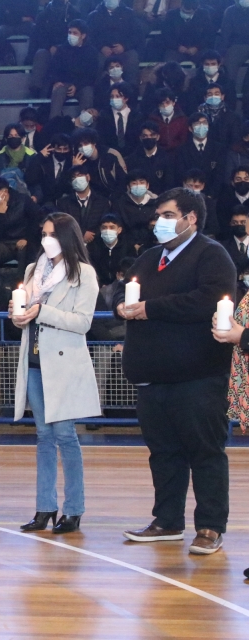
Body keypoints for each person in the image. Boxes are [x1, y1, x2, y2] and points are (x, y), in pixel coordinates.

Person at [116, 187, 235, 555]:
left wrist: (151, 308)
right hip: (153, 374)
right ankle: (167, 521)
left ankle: (210, 526)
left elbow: (207, 302)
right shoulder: (150, 258)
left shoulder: (213, 256)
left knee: (205, 451)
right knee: (163, 452)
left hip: (199, 374)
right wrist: (124, 307)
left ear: (190, 218)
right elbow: (127, 295)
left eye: (167, 215)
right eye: (158, 216)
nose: (159, 223)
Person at [10, 212, 100, 534]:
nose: (46, 239)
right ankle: (44, 507)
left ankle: (74, 510)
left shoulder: (84, 274)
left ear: (66, 236)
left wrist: (42, 312)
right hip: (34, 362)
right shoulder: (34, 269)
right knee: (43, 437)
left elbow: (82, 322)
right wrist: (18, 315)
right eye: (43, 233)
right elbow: (25, 312)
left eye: (52, 233)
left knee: (65, 436)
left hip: (63, 365)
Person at [40, 19, 98, 119]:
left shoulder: (91, 52)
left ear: (83, 35)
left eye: (75, 33)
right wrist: (56, 81)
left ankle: (86, 126)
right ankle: (54, 122)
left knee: (88, 92)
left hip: (83, 85)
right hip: (64, 83)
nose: (71, 35)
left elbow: (92, 75)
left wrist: (77, 85)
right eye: (70, 32)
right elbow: (53, 69)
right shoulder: (62, 49)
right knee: (58, 90)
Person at [85, 0, 142, 85]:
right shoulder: (93, 15)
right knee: (97, 62)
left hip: (125, 50)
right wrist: (101, 47)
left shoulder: (129, 14)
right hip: (102, 52)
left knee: (132, 59)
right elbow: (90, 37)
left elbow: (136, 35)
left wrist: (124, 46)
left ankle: (131, 91)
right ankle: (98, 92)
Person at [172, 113, 225, 196]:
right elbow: (180, 173)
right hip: (188, 195)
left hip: (212, 196)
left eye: (204, 122)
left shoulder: (219, 148)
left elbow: (220, 174)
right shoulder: (181, 150)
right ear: (190, 128)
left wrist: (211, 195)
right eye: (197, 123)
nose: (201, 126)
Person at [56, 165, 110, 243]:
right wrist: (82, 234)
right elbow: (63, 224)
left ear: (88, 177)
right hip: (72, 245)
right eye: (73, 178)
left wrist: (91, 235)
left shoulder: (102, 201)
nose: (77, 179)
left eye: (80, 175)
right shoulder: (63, 203)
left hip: (96, 245)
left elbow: (105, 222)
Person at [71, 127, 127, 197]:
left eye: (86, 143)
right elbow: (74, 187)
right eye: (80, 145)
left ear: (94, 143)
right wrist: (75, 168)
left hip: (114, 196)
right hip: (93, 200)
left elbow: (123, 181)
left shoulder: (111, 154)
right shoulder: (79, 159)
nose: (83, 147)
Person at [112, 169, 159, 249]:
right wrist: (131, 244)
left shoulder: (157, 203)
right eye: (134, 183)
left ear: (147, 185)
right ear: (128, 187)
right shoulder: (119, 204)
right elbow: (118, 228)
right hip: (126, 247)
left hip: (152, 247)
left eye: (142, 182)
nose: (138, 185)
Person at [182, 50, 237, 116]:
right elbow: (191, 105)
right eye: (207, 64)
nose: (210, 66)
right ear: (202, 65)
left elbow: (232, 105)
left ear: (219, 65)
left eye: (213, 64)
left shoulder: (228, 83)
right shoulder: (194, 82)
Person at [25, 133, 74, 205]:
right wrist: (39, 157)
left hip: (64, 202)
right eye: (59, 149)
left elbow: (70, 187)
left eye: (65, 149)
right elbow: (30, 179)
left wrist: (74, 168)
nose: (62, 152)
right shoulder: (43, 161)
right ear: (53, 148)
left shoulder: (72, 162)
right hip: (43, 201)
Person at [87, 213, 136, 284]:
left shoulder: (128, 247)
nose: (107, 230)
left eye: (112, 227)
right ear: (100, 229)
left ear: (119, 230)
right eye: (104, 227)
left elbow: (131, 268)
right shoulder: (92, 247)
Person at [97, 82, 141, 157]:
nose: (114, 99)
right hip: (110, 156)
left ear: (126, 98)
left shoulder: (137, 116)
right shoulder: (104, 115)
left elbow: (138, 140)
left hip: (133, 156)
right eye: (112, 96)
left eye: (118, 96)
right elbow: (102, 139)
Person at [198, 83, 242, 149]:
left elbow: (235, 140)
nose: (213, 96)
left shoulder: (233, 117)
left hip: (225, 152)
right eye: (210, 94)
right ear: (205, 98)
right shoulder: (197, 116)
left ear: (222, 97)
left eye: (217, 94)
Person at [219, 0, 249, 83]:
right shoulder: (230, 11)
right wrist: (222, 53)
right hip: (237, 45)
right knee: (230, 68)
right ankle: (230, 92)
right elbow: (225, 34)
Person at [216, 168, 249, 235]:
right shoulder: (223, 200)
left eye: (246, 179)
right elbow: (222, 225)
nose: (242, 182)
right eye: (238, 179)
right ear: (232, 182)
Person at [218, 205, 249, 274]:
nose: (239, 225)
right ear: (230, 224)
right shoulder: (222, 247)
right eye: (235, 222)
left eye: (243, 222)